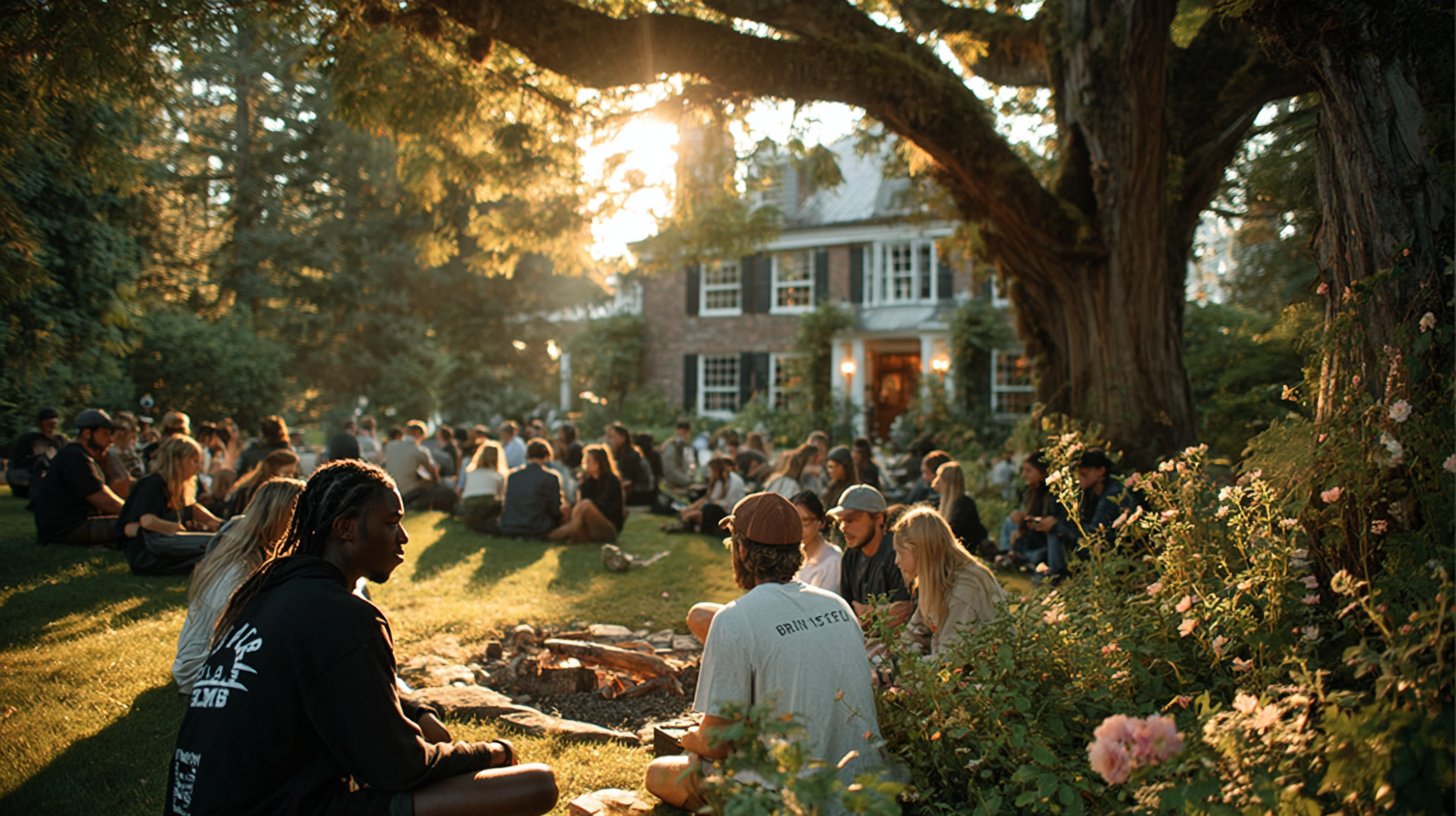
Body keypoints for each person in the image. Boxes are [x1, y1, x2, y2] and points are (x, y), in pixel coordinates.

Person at [164, 460, 559, 816]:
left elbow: (338, 685)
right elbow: (400, 767)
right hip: (278, 806)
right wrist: (492, 752)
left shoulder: (265, 592)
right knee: (536, 783)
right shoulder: (344, 615)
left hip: (199, 801)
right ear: (346, 528)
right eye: (391, 523)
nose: (403, 536)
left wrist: (417, 710)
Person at [647, 492, 885, 810]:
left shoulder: (734, 619)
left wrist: (690, 739)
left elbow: (719, 744)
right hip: (863, 787)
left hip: (790, 798)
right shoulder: (837, 605)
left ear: (743, 550)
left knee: (658, 774)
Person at [172, 477, 305, 694]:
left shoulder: (244, 551)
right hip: (205, 671)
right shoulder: (240, 568)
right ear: (283, 517)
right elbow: (237, 635)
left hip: (204, 664)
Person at [892, 506, 1008, 659]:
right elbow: (914, 635)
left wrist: (902, 670)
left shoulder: (965, 588)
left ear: (919, 550)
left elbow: (950, 660)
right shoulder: (939, 579)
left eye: (900, 553)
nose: (896, 561)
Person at [117, 435, 223, 575]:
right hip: (150, 554)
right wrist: (177, 528)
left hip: (164, 547)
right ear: (177, 460)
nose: (198, 467)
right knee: (215, 547)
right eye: (194, 461)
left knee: (217, 548)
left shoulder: (176, 487)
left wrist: (220, 524)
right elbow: (147, 521)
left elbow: (192, 509)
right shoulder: (153, 484)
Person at [31, 409, 125, 546]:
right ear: (87, 434)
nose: (111, 440)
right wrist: (136, 511)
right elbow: (103, 500)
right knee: (137, 526)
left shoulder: (77, 455)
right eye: (106, 434)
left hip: (68, 526)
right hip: (66, 529)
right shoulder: (75, 457)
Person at [830, 485, 913, 628]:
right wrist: (880, 614)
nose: (842, 527)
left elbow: (904, 611)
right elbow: (848, 612)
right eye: (840, 521)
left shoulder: (897, 553)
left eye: (850, 520)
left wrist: (870, 614)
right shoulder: (850, 555)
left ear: (878, 518)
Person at [1039, 448, 1126, 579]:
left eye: (1084, 474)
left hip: (1108, 549)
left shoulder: (1111, 494)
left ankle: (1057, 577)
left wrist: (1058, 525)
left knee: (1056, 531)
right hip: (1094, 545)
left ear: (1101, 471)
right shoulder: (1089, 493)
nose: (1080, 478)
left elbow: (1092, 534)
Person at [548, 444, 624, 543]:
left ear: (598, 463)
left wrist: (587, 506)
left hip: (607, 526)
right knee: (568, 508)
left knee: (586, 504)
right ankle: (569, 535)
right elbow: (579, 506)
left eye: (588, 461)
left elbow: (607, 508)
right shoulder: (588, 481)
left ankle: (559, 535)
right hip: (589, 528)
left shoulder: (611, 480)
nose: (585, 464)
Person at [384, 420, 456, 512]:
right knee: (439, 487)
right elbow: (433, 474)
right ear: (418, 434)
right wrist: (436, 481)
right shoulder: (420, 450)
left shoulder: (390, 446)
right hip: (407, 492)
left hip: (390, 491)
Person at [499, 439, 564, 538]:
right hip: (537, 527)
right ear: (547, 455)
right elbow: (555, 509)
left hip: (510, 526)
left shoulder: (512, 476)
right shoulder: (551, 477)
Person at [1006, 452, 1055, 568]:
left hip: (1042, 541)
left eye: (1028, 471)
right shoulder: (1029, 492)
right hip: (1031, 537)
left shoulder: (1051, 494)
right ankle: (1013, 554)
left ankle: (1023, 558)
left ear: (1042, 472)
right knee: (1009, 522)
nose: (1024, 476)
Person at [673, 457, 745, 534]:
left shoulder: (733, 482)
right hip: (717, 508)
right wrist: (689, 508)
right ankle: (691, 523)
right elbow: (708, 498)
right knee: (697, 507)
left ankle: (694, 523)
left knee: (707, 509)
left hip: (727, 514)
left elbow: (727, 505)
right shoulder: (720, 481)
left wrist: (696, 509)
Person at [223, 448, 301, 518]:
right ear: (273, 470)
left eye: (293, 474)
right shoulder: (254, 491)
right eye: (287, 473)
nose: (291, 478)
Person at [791, 490, 842, 594]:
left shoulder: (832, 560)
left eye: (805, 521)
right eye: (794, 521)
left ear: (821, 522)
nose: (799, 529)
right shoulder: (794, 558)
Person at [7, 407, 62, 499]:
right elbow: (18, 461)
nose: (52, 429)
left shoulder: (60, 441)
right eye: (49, 425)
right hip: (28, 473)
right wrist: (40, 459)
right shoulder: (28, 439)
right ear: (41, 425)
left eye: (54, 425)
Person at [935, 461, 988, 553]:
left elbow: (955, 533)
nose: (935, 484)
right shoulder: (951, 504)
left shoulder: (963, 506)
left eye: (940, 480)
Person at [459, 440, 507, 534]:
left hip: (467, 506)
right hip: (486, 505)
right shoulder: (499, 475)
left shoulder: (471, 472)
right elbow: (501, 496)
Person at [606, 423, 655, 506]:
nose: (609, 440)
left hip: (639, 495)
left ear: (623, 438)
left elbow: (628, 483)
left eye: (612, 437)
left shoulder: (629, 457)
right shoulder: (621, 454)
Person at [659, 421, 697, 492]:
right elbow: (690, 464)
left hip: (670, 478)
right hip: (675, 480)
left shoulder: (671, 443)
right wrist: (689, 479)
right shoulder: (676, 445)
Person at [821, 445, 858, 509]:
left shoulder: (853, 491)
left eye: (837, 466)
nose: (833, 470)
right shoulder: (831, 488)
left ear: (846, 466)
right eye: (830, 467)